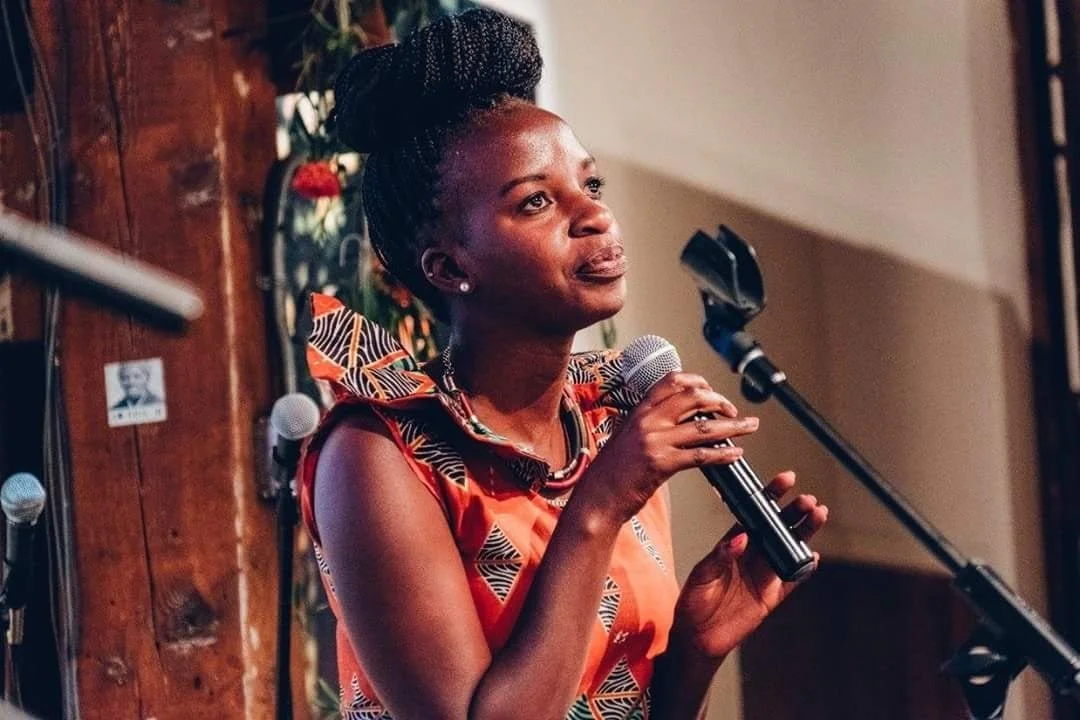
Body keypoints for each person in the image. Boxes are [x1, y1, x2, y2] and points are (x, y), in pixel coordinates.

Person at [298, 9, 828, 719]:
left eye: (592, 187)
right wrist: (600, 505)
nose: (594, 216)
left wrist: (696, 649)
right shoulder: (380, 455)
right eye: (538, 201)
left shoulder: (611, 424)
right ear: (451, 266)